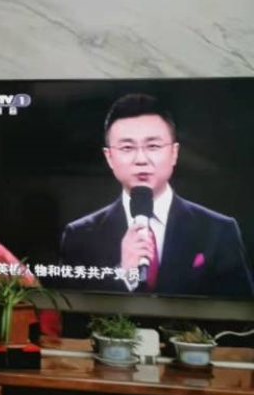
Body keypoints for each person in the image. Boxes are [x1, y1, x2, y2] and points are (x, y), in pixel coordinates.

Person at [60, 93, 254, 298]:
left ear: (174, 153)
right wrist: (123, 274)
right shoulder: (80, 235)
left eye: (153, 146)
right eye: (127, 147)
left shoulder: (218, 230)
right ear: (109, 157)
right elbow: (73, 313)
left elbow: (240, 313)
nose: (141, 159)